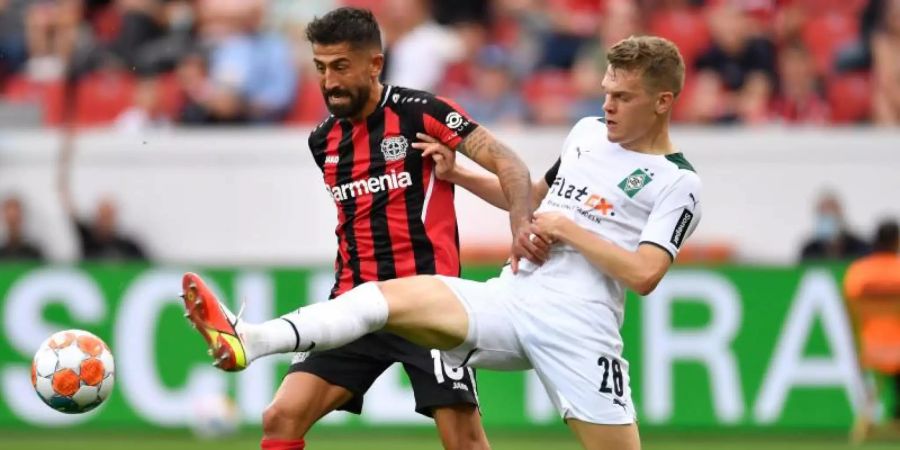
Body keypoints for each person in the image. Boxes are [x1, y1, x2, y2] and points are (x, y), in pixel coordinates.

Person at [183, 35, 699, 450]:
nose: (606, 105)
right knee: (380, 298)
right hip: (512, 297)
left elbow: (644, 274)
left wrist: (567, 230)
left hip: (579, 326)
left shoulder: (678, 182)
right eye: (607, 92)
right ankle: (251, 339)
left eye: (622, 98)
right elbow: (542, 197)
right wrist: (461, 175)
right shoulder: (586, 133)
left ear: (662, 102)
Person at [183, 7, 540, 450]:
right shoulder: (323, 140)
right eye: (320, 67)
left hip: (429, 304)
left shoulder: (420, 113)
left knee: (464, 441)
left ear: (375, 64)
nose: (329, 81)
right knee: (281, 417)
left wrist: (520, 227)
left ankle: (256, 337)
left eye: (340, 66)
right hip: (355, 306)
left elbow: (510, 164)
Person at [844, 219, 900, 442]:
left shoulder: (858, 272)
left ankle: (868, 423)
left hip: (871, 349)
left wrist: (857, 344)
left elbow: (850, 312)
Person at [799, 192, 870, 262]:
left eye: (830, 214)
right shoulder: (810, 251)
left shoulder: (860, 247)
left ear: (840, 216)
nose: (826, 219)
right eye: (823, 214)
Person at [0, 195, 44, 261]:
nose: (13, 223)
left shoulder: (33, 252)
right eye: (10, 219)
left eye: (16, 218)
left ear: (21, 218)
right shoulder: (2, 253)